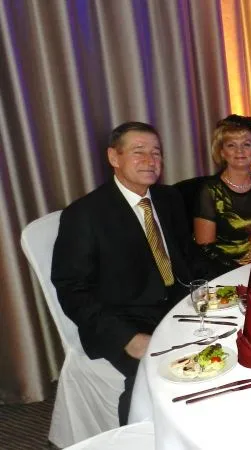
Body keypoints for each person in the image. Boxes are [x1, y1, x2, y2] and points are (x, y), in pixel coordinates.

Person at [51, 122, 194, 425]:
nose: (150, 160)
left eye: (156, 152)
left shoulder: (169, 198)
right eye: (138, 151)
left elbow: (188, 256)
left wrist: (231, 282)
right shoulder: (85, 214)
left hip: (176, 306)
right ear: (114, 157)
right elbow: (71, 288)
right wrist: (126, 337)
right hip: (122, 318)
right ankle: (134, 435)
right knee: (157, 378)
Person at [194, 115, 251, 277]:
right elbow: (205, 249)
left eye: (246, 144)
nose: (240, 151)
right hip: (227, 274)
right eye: (231, 145)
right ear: (222, 152)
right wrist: (244, 272)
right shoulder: (209, 190)